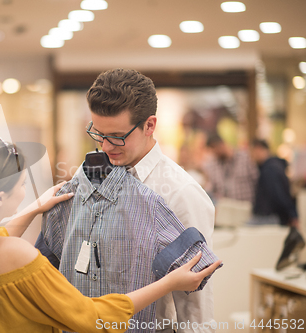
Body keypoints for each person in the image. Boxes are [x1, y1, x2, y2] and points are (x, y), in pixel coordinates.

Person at [0, 134, 221, 333]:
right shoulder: (18, 255)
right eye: (22, 185)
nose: (25, 192)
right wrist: (168, 283)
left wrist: (35, 208)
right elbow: (89, 317)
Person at [38, 68, 218, 333]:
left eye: (118, 137)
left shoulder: (180, 193)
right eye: (98, 134)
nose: (106, 147)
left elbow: (195, 309)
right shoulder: (85, 175)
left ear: (150, 125)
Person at [249, 139, 298, 227]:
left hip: (270, 217)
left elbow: (279, 194)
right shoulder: (273, 166)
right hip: (273, 216)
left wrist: (292, 215)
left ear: (258, 149)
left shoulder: (270, 169)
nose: (252, 157)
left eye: (252, 152)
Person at [204, 133, 258, 203]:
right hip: (226, 209)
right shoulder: (212, 166)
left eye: (215, 148)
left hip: (246, 207)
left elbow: (256, 181)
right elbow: (212, 190)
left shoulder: (245, 159)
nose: (214, 152)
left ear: (222, 144)